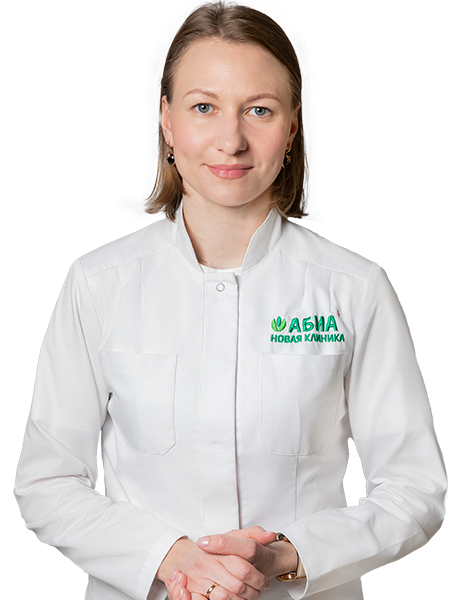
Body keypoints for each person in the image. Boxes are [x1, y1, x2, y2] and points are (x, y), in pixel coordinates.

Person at [15, 2, 446, 600]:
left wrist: (284, 556)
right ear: (167, 122)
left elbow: (416, 491)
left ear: (291, 128)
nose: (231, 140)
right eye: (204, 107)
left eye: (259, 110)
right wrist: (171, 559)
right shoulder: (98, 284)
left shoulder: (353, 288)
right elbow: (47, 483)